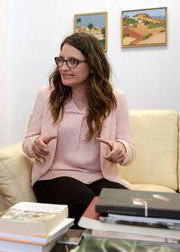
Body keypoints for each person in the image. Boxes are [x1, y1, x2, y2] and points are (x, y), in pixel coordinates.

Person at [23, 33, 135, 224]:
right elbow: (28, 141)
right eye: (61, 60)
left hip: (101, 177)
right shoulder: (46, 95)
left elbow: (129, 148)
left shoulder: (115, 99)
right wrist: (36, 144)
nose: (63, 68)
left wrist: (120, 150)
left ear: (92, 65)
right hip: (54, 176)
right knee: (84, 201)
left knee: (127, 208)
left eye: (72, 62)